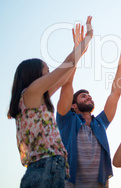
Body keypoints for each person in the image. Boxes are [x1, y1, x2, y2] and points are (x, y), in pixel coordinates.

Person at [7, 16, 93, 188]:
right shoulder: (30, 93)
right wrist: (88, 37)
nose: (50, 73)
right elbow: (67, 64)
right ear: (34, 75)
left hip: (50, 168)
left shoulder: (36, 98)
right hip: (45, 168)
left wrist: (78, 49)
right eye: (47, 70)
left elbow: (64, 78)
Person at [56, 22, 121, 187]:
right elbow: (67, 85)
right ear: (73, 106)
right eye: (83, 97)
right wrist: (78, 50)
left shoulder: (100, 123)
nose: (88, 98)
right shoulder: (66, 120)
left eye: (89, 96)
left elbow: (115, 93)